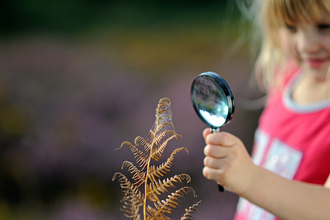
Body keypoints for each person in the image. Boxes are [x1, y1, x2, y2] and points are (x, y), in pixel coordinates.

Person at [202, 0, 330, 219]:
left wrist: (251, 179)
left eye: (324, 26)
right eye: (291, 27)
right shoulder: (286, 79)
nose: (306, 45)